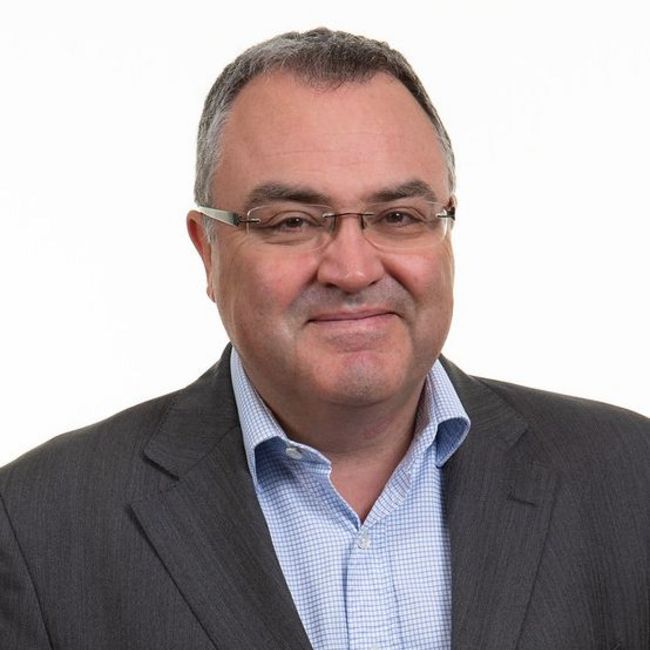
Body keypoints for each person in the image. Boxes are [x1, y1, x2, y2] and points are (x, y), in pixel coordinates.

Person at [1, 27, 648, 650]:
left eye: (398, 216)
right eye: (292, 222)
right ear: (208, 252)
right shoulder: (35, 527)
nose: (353, 270)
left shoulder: (630, 479)